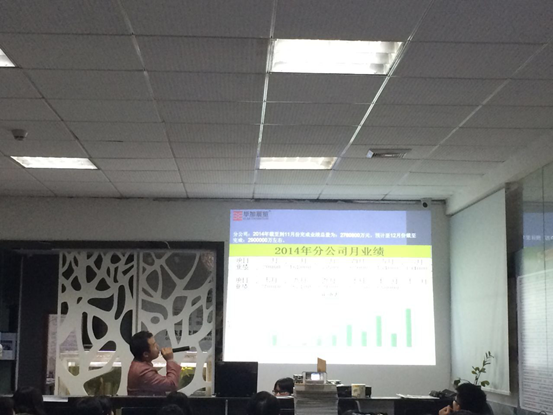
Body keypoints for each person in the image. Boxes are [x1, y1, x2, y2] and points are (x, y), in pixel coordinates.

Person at [127, 331, 180, 396]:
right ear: (146, 354)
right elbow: (172, 384)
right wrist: (170, 360)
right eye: (154, 345)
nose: (158, 346)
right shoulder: (143, 372)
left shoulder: (140, 365)